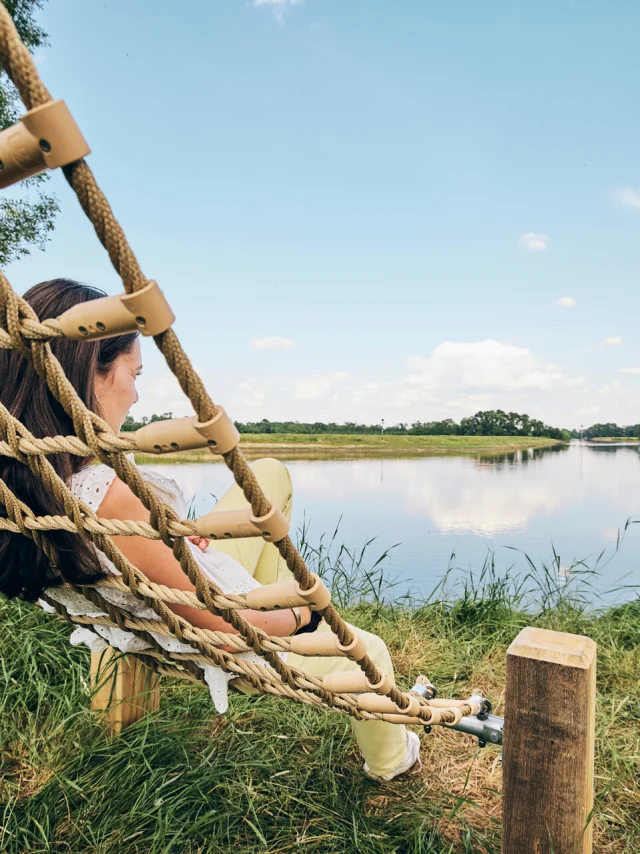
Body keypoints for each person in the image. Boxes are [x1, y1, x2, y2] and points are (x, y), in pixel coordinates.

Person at [0, 278, 421, 781]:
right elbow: (220, 631)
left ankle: (256, 589)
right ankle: (395, 763)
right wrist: (300, 613)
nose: (136, 394)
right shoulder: (111, 497)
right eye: (133, 374)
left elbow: (133, 552)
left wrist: (170, 539)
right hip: (215, 624)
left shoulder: (28, 477)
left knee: (266, 474)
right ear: (88, 372)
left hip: (159, 598)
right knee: (366, 650)